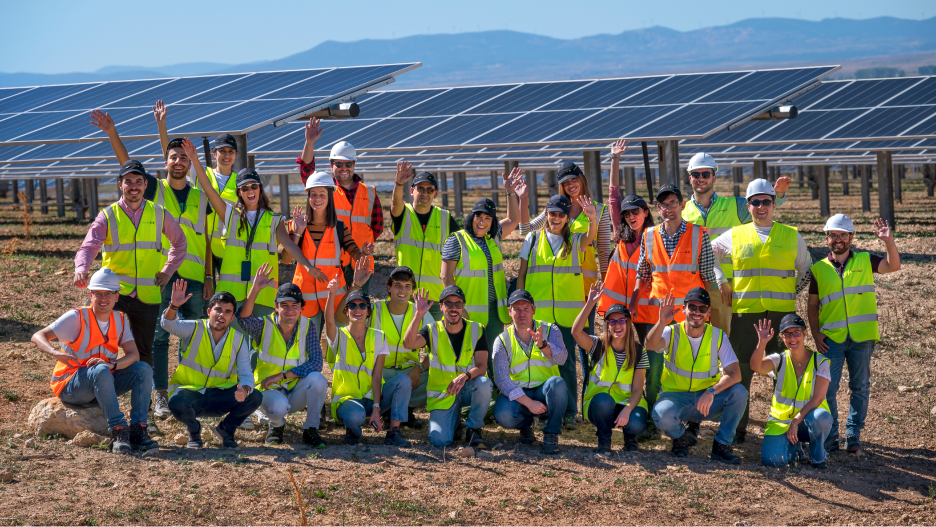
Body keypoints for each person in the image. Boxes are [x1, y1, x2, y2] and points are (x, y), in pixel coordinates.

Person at [78, 111, 187, 385]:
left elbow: (180, 243)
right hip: (116, 296)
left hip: (148, 296)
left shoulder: (159, 213)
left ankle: (144, 409)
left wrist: (167, 270)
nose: (134, 186)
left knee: (144, 351)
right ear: (120, 184)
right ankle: (107, 394)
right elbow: (89, 245)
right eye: (129, 181)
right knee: (107, 347)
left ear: (145, 184)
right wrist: (82, 268)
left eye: (139, 181)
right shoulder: (109, 215)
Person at [710, 178, 813, 445]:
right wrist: (722, 279)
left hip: (782, 316)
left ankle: (784, 430)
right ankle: (737, 430)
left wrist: (792, 291)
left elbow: (806, 270)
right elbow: (710, 254)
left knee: (786, 373)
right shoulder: (736, 234)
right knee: (740, 373)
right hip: (746, 316)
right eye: (755, 202)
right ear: (748, 205)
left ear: (774, 203)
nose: (761, 206)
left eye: (766, 201)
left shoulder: (791, 234)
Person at [182, 139, 320, 316]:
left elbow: (289, 245)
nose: (250, 191)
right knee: (236, 342)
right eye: (244, 188)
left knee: (259, 341)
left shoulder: (274, 219)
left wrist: (307, 265)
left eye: (254, 186)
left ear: (260, 189)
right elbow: (208, 189)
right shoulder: (231, 215)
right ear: (239, 192)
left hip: (263, 296)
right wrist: (194, 160)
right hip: (232, 296)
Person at [32, 269, 157, 454]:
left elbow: (133, 355)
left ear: (117, 296)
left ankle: (138, 430)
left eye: (108, 294)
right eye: (98, 293)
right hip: (70, 384)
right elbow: (37, 335)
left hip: (103, 377)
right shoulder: (77, 317)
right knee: (100, 369)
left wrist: (113, 365)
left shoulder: (120, 319)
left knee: (143, 369)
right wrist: (54, 352)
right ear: (90, 295)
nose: (103, 298)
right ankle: (118, 431)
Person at [144, 103, 216, 420]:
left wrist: (211, 276)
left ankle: (186, 392)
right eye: (173, 157)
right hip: (165, 276)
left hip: (197, 279)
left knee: (194, 336)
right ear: (166, 161)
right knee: (160, 336)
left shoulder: (202, 197)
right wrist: (162, 126)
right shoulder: (156, 191)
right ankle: (160, 395)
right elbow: (157, 157)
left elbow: (210, 239)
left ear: (190, 164)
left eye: (184, 158)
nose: (178, 162)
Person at [807, 214, 900, 454]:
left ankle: (853, 433)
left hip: (862, 337)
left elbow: (894, 266)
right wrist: (816, 334)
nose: (838, 240)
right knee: (828, 388)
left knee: (860, 387)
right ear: (827, 238)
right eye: (833, 235)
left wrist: (888, 242)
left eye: (843, 235)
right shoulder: (818, 269)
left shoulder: (865, 260)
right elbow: (812, 305)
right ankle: (832, 435)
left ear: (851, 237)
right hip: (832, 339)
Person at [631, 184, 717, 444]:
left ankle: (690, 424)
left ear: (681, 204)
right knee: (655, 371)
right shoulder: (648, 235)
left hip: (691, 318)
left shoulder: (698, 234)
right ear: (657, 209)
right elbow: (642, 273)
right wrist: (634, 301)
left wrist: (701, 310)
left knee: (692, 371)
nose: (667, 209)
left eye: (672, 203)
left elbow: (708, 277)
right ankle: (654, 419)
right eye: (663, 205)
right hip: (658, 317)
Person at [681, 153, 791, 334]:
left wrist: (778, 193)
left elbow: (762, 206)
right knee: (696, 339)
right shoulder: (683, 212)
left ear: (714, 177)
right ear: (690, 178)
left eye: (706, 174)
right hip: (694, 286)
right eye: (696, 174)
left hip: (726, 288)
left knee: (725, 338)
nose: (701, 178)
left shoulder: (735, 206)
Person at [517, 194, 596, 430]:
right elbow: (521, 274)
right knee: (541, 362)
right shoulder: (532, 239)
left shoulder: (575, 240)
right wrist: (519, 305)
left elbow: (591, 237)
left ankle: (570, 411)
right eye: (552, 213)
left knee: (567, 363)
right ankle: (545, 408)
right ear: (546, 213)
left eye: (561, 214)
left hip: (566, 316)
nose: (556, 218)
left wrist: (592, 218)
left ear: (566, 217)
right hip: (538, 315)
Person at [646, 289, 747, 464]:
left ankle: (722, 445)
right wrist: (662, 321)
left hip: (706, 400)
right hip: (676, 398)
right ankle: (680, 436)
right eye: (692, 307)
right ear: (684, 309)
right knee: (661, 415)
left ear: (709, 312)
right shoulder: (672, 332)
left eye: (702, 308)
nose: (697, 312)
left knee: (739, 393)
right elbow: (650, 344)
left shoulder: (717, 335)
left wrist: (711, 391)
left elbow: (735, 373)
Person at [235, 263, 328, 448]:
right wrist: (255, 289)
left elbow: (317, 363)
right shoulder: (264, 324)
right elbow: (243, 320)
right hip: (268, 389)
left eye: (295, 305)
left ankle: (310, 429)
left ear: (302, 308)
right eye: (284, 305)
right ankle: (276, 426)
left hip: (294, 390)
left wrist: (283, 375)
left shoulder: (308, 325)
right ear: (276, 307)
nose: (290, 310)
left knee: (318, 380)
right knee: (278, 408)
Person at [162, 283, 262, 449]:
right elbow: (168, 324)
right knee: (176, 401)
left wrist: (245, 389)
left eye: (227, 312)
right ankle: (194, 430)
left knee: (255, 396)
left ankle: (226, 430)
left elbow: (246, 373)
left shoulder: (238, 340)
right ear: (209, 312)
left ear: (232, 318)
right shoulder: (194, 328)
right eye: (218, 310)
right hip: (191, 393)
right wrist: (174, 306)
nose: (222, 315)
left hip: (220, 396)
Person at [441, 169, 524, 351]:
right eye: (479, 216)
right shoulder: (457, 239)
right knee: (469, 355)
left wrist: (509, 192)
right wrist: (458, 308)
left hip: (495, 310)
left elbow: (514, 218)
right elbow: (445, 276)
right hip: (467, 310)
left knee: (493, 355)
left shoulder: (493, 237)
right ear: (472, 216)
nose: (482, 222)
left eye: (488, 218)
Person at [296, 123, 384, 295]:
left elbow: (377, 227)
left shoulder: (370, 192)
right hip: (334, 262)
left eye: (348, 164)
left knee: (359, 309)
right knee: (337, 310)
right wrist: (309, 143)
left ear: (354, 165)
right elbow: (307, 172)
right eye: (339, 164)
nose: (344, 168)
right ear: (331, 165)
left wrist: (361, 245)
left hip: (362, 262)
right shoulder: (326, 190)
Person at [324, 278, 413, 447]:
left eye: (362, 306)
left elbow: (377, 374)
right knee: (355, 417)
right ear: (346, 311)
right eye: (352, 306)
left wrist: (377, 408)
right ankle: (353, 429)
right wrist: (332, 293)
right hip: (347, 399)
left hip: (371, 398)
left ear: (368, 312)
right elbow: (329, 321)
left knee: (403, 381)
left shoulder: (379, 336)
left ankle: (393, 431)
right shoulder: (339, 335)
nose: (358, 309)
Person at [403, 285, 492, 449]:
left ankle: (473, 429)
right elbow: (408, 343)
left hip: (466, 388)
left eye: (458, 304)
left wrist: (465, 376)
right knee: (439, 441)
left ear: (463, 306)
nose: (453, 308)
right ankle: (455, 421)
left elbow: (481, 367)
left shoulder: (477, 329)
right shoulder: (432, 330)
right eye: (448, 303)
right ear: (441, 306)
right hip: (443, 394)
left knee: (484, 383)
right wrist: (419, 314)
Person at [283, 171, 374, 330]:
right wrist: (297, 232)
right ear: (308, 197)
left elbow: (355, 253)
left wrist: (364, 253)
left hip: (334, 297)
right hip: (305, 297)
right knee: (306, 345)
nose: (317, 198)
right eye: (313, 194)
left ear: (330, 196)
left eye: (322, 194)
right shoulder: (297, 224)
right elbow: (285, 259)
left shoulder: (339, 226)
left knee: (338, 344)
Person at [573, 282, 648, 454]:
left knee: (637, 422)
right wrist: (590, 303)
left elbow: (637, 390)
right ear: (607, 325)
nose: (617, 325)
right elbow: (576, 333)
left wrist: (628, 410)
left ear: (629, 323)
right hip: (599, 404)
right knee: (604, 402)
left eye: (622, 320)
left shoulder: (639, 351)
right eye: (612, 321)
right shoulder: (598, 345)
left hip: (626, 404)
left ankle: (630, 438)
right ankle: (604, 441)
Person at [492, 289, 570, 455]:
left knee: (558, 384)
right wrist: (529, 403)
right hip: (519, 394)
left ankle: (551, 433)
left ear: (533, 310)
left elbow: (562, 359)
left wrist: (543, 345)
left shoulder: (550, 330)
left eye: (526, 308)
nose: (522, 313)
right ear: (509, 312)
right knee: (504, 414)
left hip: (545, 390)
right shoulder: (502, 341)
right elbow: (501, 379)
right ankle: (526, 425)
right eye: (517, 309)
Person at [750, 314, 833, 469]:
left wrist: (796, 421)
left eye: (796, 333)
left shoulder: (820, 361)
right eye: (787, 334)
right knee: (773, 461)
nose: (792, 338)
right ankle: (795, 449)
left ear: (804, 333)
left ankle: (818, 457)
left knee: (822, 418)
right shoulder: (780, 359)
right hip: (781, 423)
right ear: (781, 337)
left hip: (807, 421)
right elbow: (756, 366)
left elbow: (817, 399)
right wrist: (762, 343)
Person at [366, 266, 435, 427]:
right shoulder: (375, 310)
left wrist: (419, 368)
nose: (402, 290)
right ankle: (386, 410)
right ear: (389, 288)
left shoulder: (420, 312)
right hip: (380, 373)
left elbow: (438, 349)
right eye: (397, 285)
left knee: (440, 376)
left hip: (410, 372)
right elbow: (343, 319)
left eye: (407, 286)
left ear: (413, 291)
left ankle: (408, 408)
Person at [391, 163, 460, 321]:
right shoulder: (403, 214)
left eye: (429, 190)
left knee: (434, 343)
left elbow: (462, 247)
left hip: (435, 297)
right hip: (405, 295)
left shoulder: (445, 218)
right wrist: (398, 184)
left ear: (435, 194)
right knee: (406, 343)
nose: (425, 193)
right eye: (420, 189)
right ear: (412, 191)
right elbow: (395, 204)